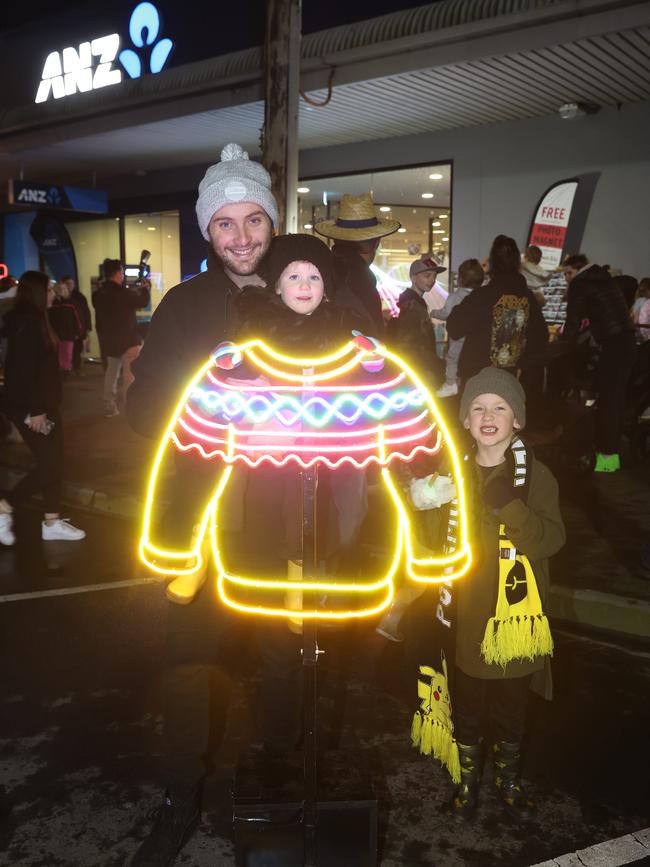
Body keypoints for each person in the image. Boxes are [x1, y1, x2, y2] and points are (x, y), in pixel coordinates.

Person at [127, 142, 283, 867]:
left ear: (273, 222)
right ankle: (177, 796)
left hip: (286, 521)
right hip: (202, 519)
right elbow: (146, 408)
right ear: (207, 231)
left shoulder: (306, 293)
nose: (243, 236)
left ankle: (282, 788)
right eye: (227, 223)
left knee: (288, 659)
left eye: (255, 218)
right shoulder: (183, 306)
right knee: (189, 660)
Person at [411, 368, 565, 821]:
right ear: (465, 420)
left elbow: (550, 541)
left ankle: (508, 779)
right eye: (478, 407)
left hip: (515, 620)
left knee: (512, 708)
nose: (488, 415)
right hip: (463, 612)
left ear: (517, 419)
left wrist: (510, 506)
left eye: (500, 407)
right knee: (469, 706)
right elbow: (427, 540)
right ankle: (466, 780)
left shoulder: (537, 476)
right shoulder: (450, 474)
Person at [0, 271, 85, 545]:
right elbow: (22, 372)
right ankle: (4, 508)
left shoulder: (36, 319)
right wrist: (36, 410)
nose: (53, 293)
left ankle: (52, 521)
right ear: (37, 293)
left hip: (43, 405)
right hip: (33, 408)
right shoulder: (26, 323)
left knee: (54, 463)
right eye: (48, 290)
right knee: (50, 466)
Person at [561, 254, 636, 472]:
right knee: (616, 401)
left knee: (609, 402)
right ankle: (610, 455)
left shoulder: (581, 283)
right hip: (627, 342)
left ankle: (607, 459)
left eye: (568, 273)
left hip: (613, 346)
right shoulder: (602, 277)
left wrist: (561, 347)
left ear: (577, 269)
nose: (567, 278)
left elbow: (573, 322)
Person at [446, 235, 549, 388]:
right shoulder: (529, 298)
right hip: (512, 380)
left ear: (492, 262)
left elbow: (454, 327)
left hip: (477, 377)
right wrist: (522, 364)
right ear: (518, 263)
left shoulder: (481, 296)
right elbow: (541, 337)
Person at [314, 191, 400, 334]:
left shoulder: (323, 268)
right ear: (376, 243)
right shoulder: (361, 277)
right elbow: (372, 337)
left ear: (337, 239)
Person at [93, 258, 149, 417]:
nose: (123, 275)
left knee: (111, 374)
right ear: (118, 273)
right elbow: (142, 301)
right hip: (129, 341)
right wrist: (145, 288)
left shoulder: (98, 295)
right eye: (122, 272)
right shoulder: (124, 294)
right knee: (130, 376)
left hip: (110, 343)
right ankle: (131, 407)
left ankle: (109, 406)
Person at [388, 253, 445, 386]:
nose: (432, 280)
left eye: (434, 276)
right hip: (420, 372)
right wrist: (435, 366)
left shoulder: (413, 303)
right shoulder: (412, 306)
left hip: (419, 370)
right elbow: (408, 345)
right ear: (413, 278)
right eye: (427, 276)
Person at [434, 258, 485, 398]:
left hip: (458, 339)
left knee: (452, 359)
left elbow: (446, 314)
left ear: (460, 279)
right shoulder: (482, 297)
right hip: (475, 341)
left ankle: (451, 384)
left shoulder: (455, 297)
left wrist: (432, 313)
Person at [49, 280, 83, 375]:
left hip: (68, 334)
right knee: (57, 355)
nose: (61, 290)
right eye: (59, 288)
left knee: (67, 355)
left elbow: (77, 318)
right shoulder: (52, 304)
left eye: (63, 288)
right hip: (55, 334)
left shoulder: (71, 304)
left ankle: (65, 372)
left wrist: (78, 332)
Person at [61, 275, 92, 374]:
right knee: (67, 350)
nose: (70, 286)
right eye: (68, 284)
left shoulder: (79, 297)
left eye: (71, 283)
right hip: (66, 330)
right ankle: (67, 369)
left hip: (79, 328)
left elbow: (86, 312)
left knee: (77, 349)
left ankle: (76, 367)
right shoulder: (60, 298)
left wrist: (87, 327)